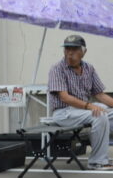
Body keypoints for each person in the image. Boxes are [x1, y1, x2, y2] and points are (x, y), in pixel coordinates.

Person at [47, 34, 113, 170]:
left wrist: (91, 107)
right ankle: (97, 162)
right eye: (67, 49)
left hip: (82, 110)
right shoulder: (57, 69)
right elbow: (64, 97)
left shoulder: (89, 68)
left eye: (75, 49)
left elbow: (99, 94)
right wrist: (89, 106)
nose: (70, 53)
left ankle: (96, 138)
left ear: (84, 51)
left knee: (106, 112)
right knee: (99, 114)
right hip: (63, 112)